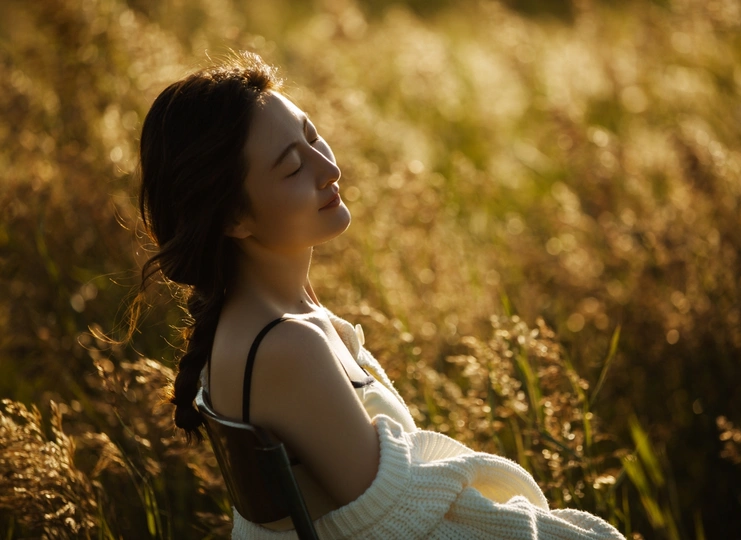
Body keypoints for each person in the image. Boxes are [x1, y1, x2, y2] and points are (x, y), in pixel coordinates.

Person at [136, 51, 624, 540]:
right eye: (290, 168)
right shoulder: (283, 346)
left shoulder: (274, 312)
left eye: (311, 136)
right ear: (232, 219)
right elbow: (399, 527)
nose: (328, 167)